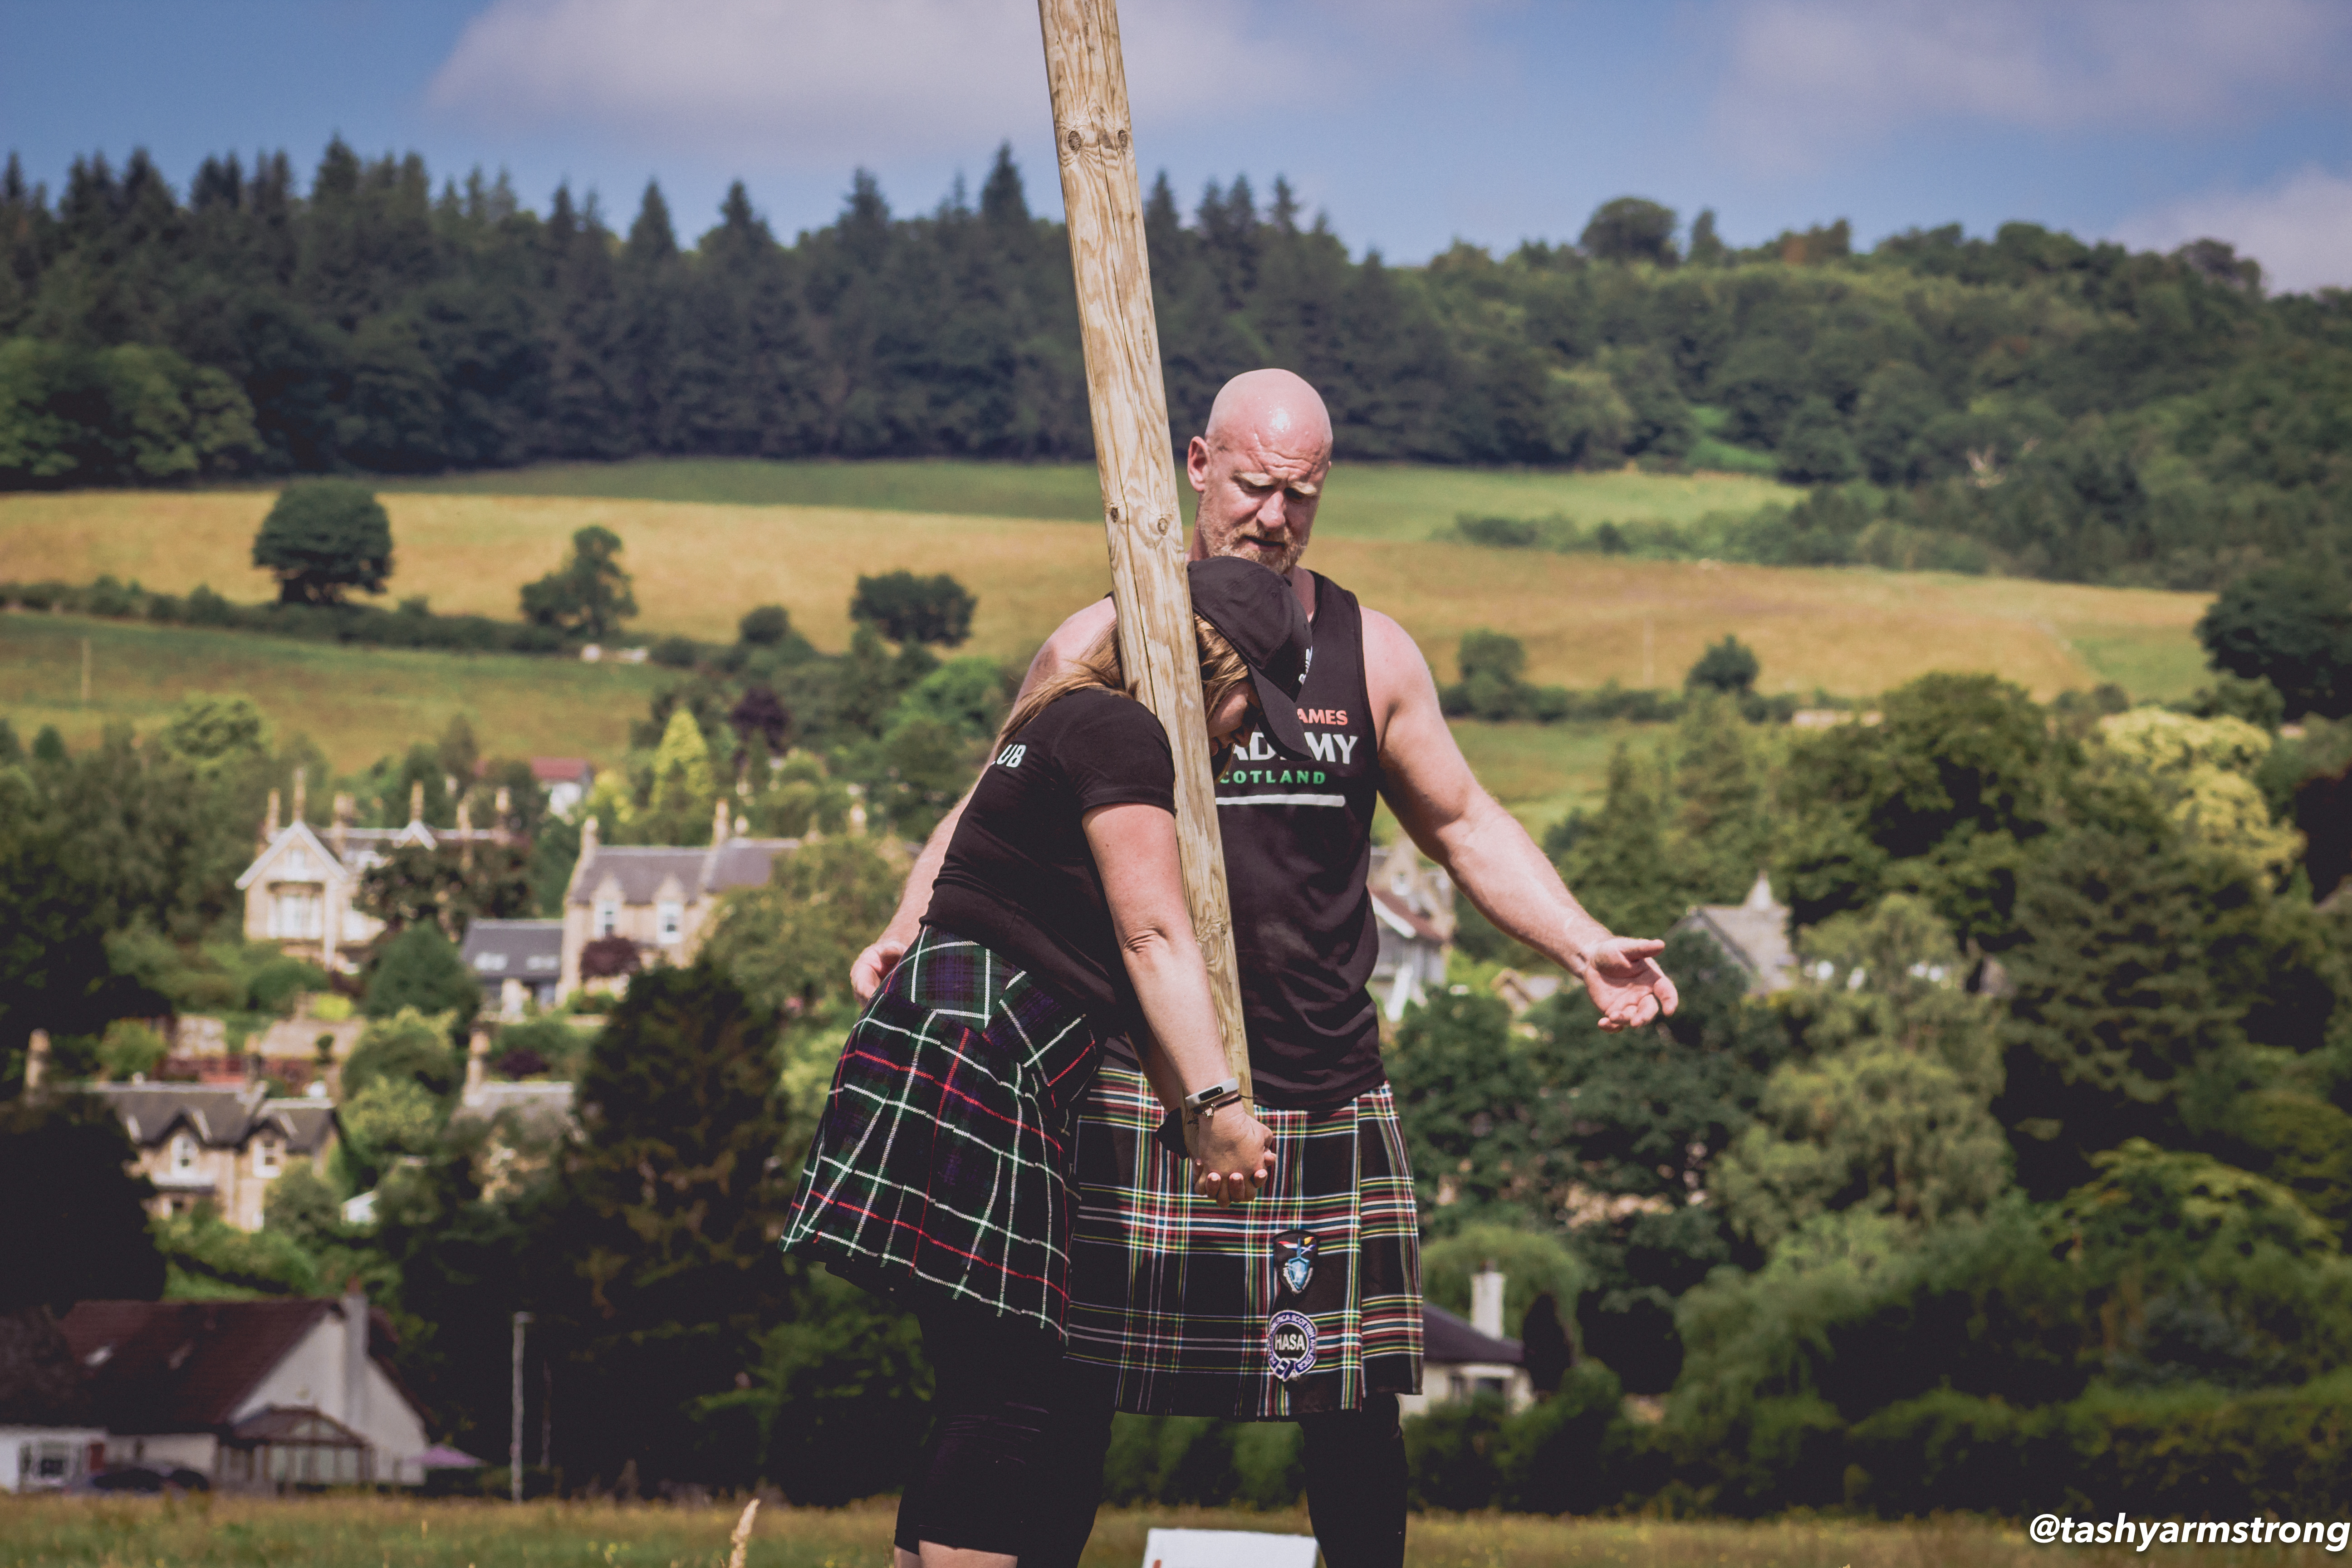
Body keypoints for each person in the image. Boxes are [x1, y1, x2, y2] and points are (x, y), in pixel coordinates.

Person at [852, 369, 1681, 1568]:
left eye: (1302, 492)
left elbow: (1462, 823)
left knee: (1342, 1401)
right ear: (1196, 464)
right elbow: (992, 802)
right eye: (1253, 485)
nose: (1275, 515)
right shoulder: (1104, 641)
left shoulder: (1369, 653)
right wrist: (904, 923)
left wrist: (1579, 941)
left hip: (1321, 1088)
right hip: (1135, 1083)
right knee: (1064, 1388)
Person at [784, 557, 1323, 1568]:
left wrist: (1195, 1124)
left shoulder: (1062, 713)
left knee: (984, 1377)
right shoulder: (1124, 732)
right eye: (1252, 709)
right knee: (1018, 1387)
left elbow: (1119, 976)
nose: (1247, 739)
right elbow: (1152, 938)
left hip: (951, 1040)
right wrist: (1219, 1101)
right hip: (988, 1053)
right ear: (1213, 664)